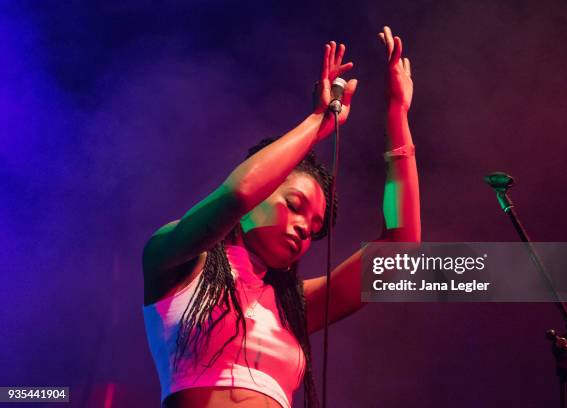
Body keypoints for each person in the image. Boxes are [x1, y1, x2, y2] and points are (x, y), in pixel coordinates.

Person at [142, 26, 420, 408]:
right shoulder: (175, 259)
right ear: (262, 193)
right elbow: (239, 192)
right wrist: (316, 123)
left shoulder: (293, 305)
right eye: (293, 205)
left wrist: (397, 113)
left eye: (316, 227)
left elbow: (402, 253)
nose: (305, 227)